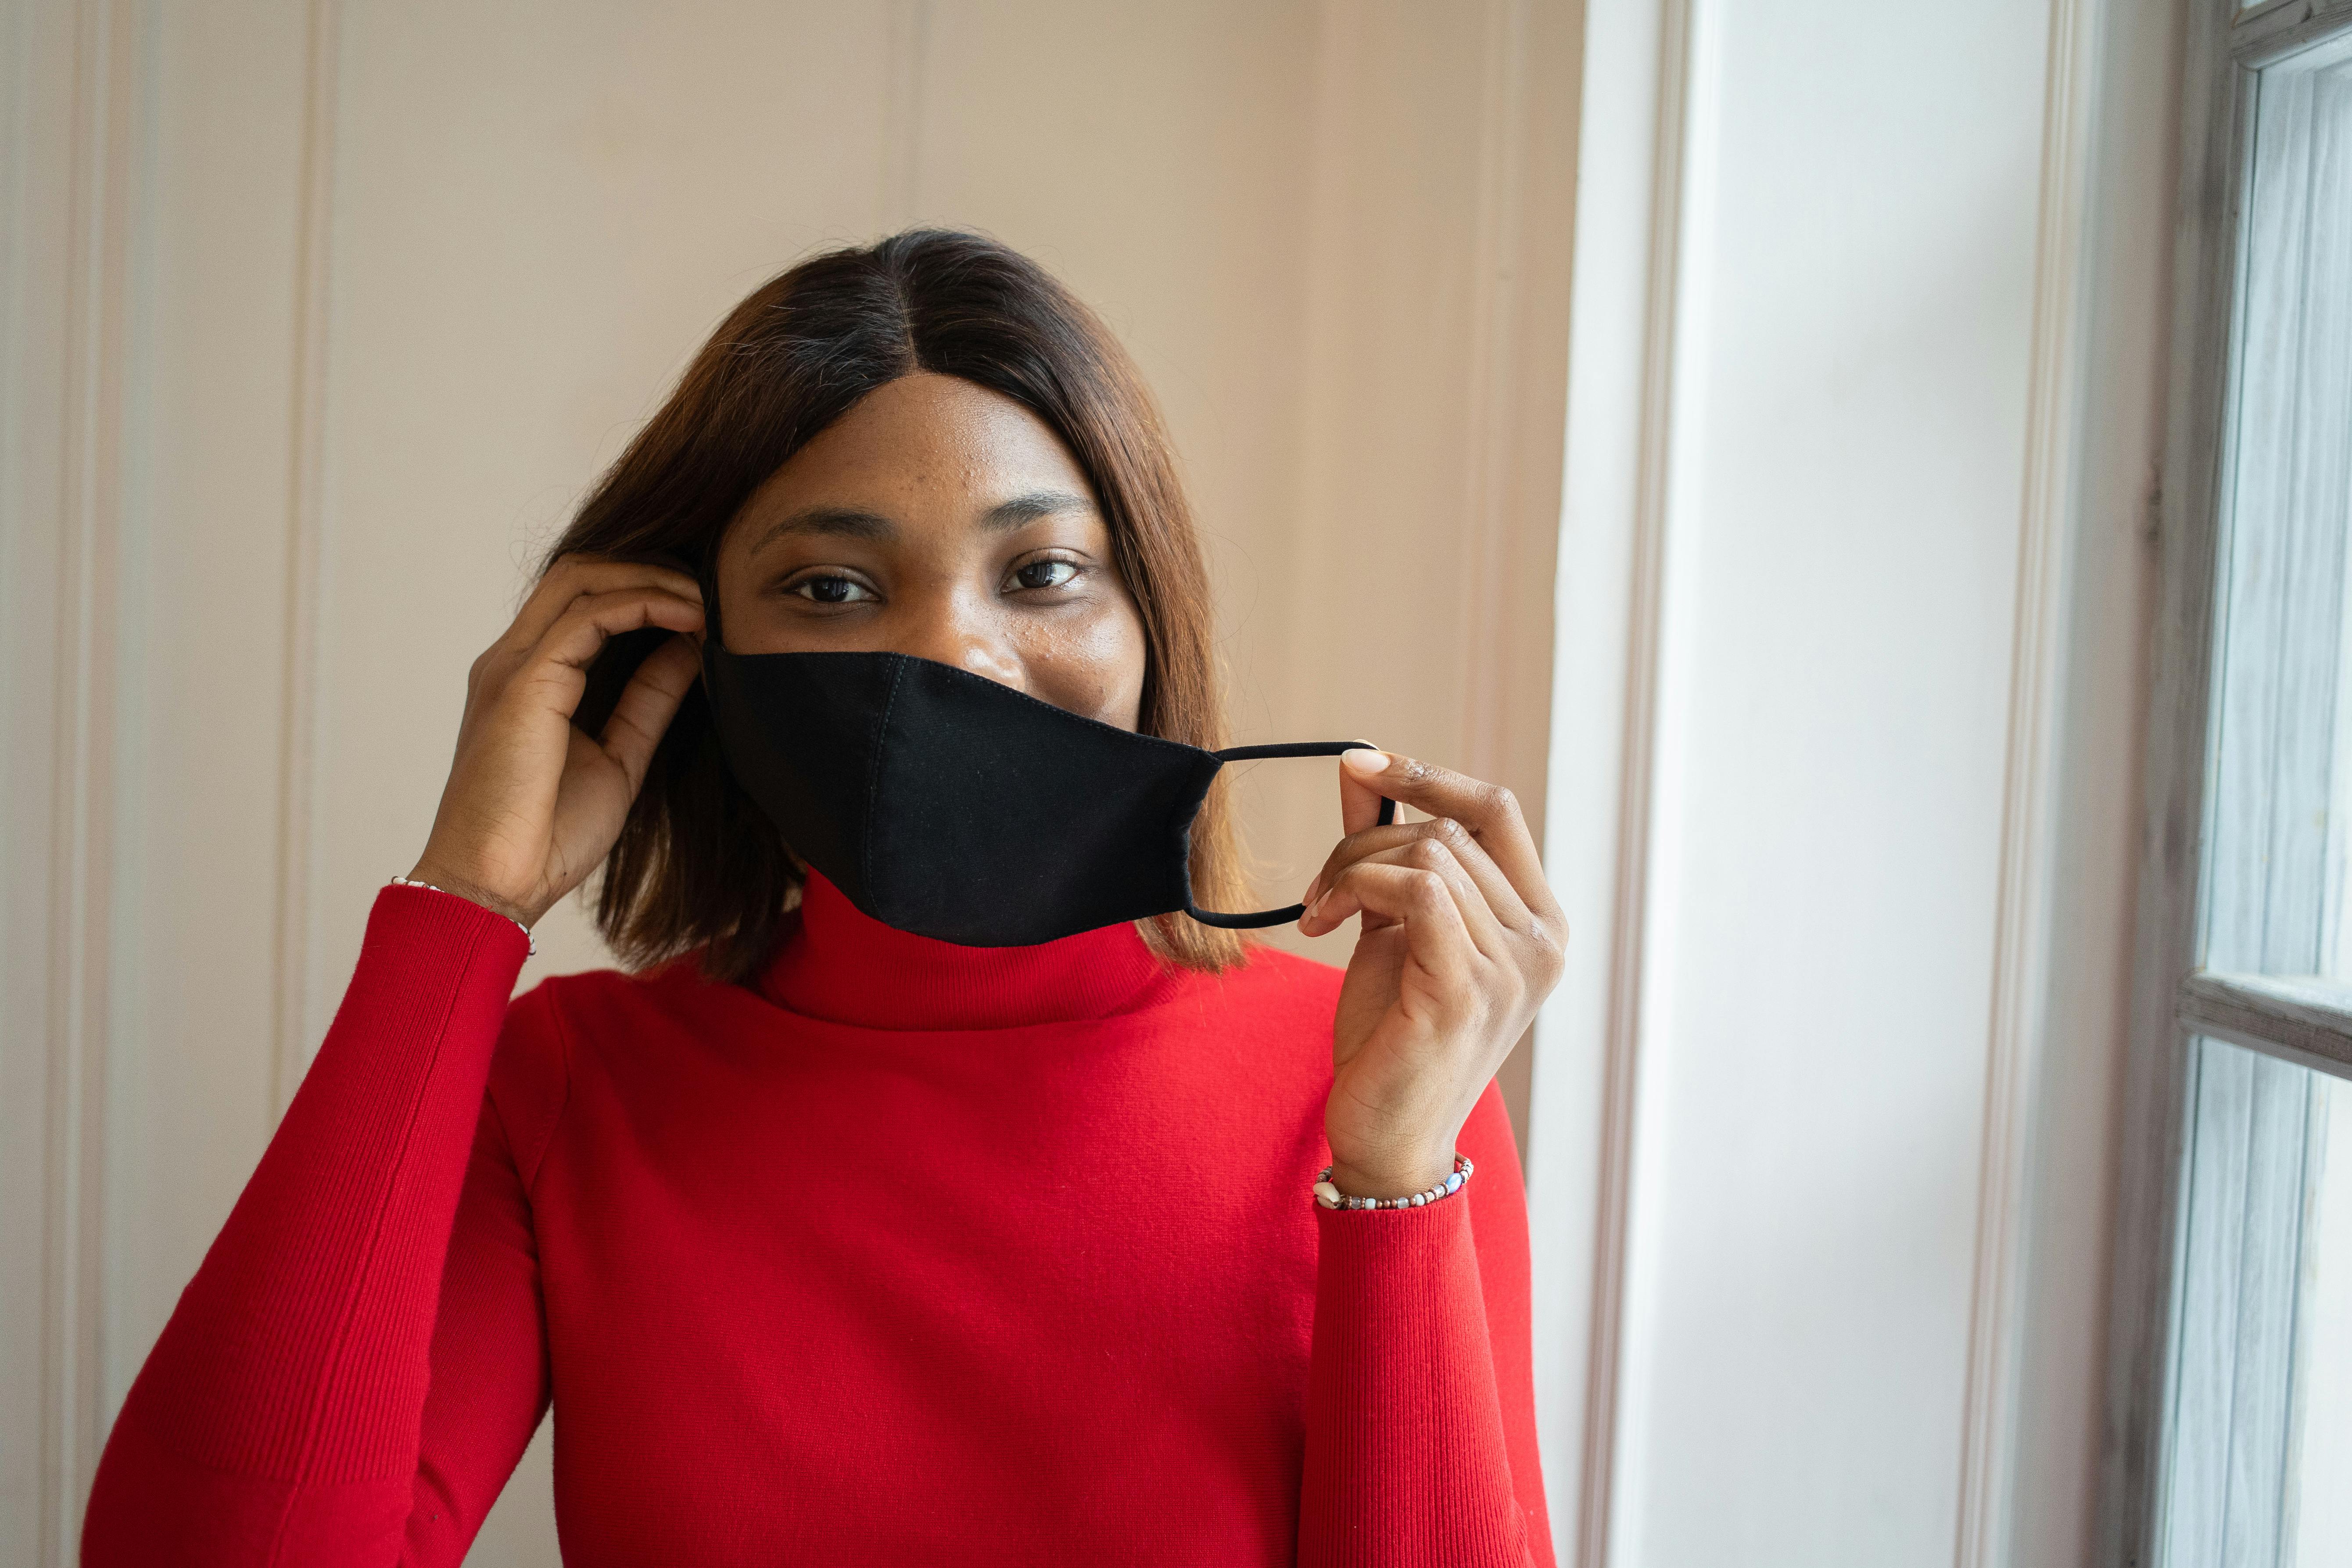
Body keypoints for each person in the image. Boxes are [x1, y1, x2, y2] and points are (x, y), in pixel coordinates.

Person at [81, 230, 1566, 1566]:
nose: (954, 659)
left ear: (1147, 629)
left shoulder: (1377, 1083)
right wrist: (461, 904)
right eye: (834, 590)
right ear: (691, 653)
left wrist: (1392, 1177)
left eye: (1040, 572)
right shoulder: (574, 1093)